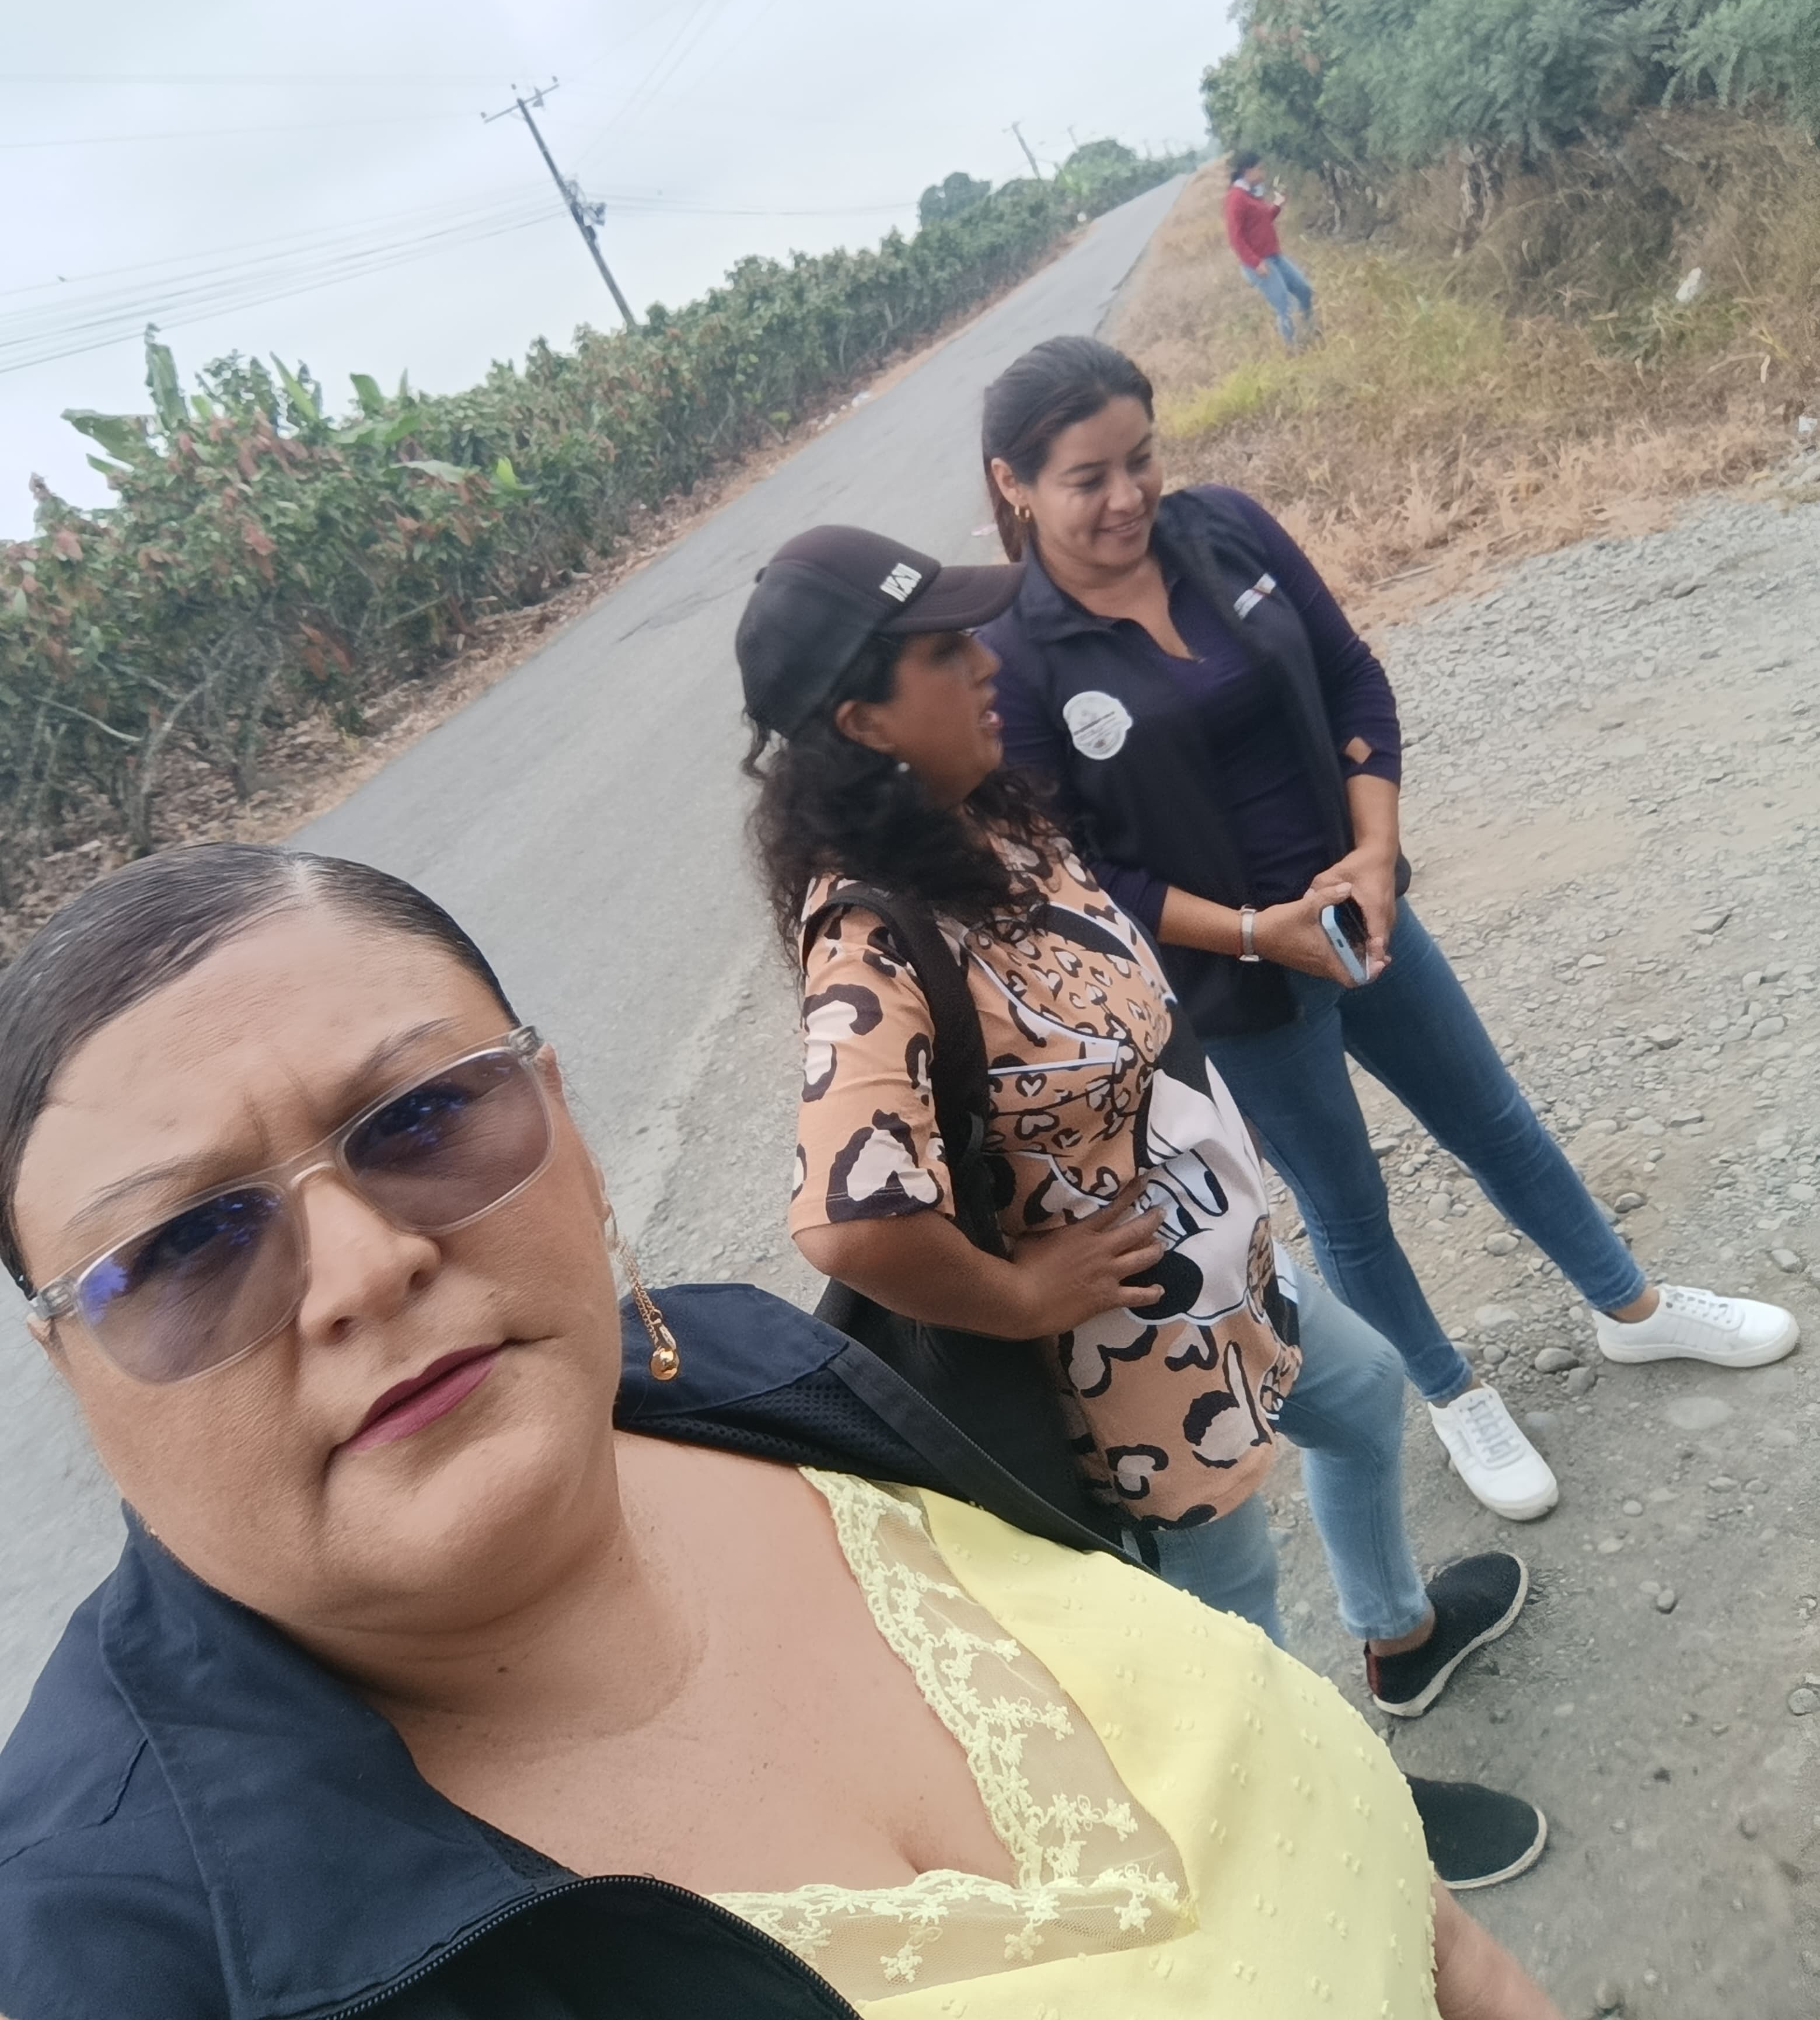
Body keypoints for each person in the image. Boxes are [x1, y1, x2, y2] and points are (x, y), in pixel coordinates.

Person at [0, 843, 1563, 2020]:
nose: (361, 1269)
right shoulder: (122, 1959)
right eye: (185, 1246)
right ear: (66, 1360)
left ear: (564, 1119)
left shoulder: (741, 1374)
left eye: (422, 1117)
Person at [735, 523, 1546, 1895]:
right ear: (861, 719)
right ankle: (1352, 1845)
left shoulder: (983, 814)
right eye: (942, 653)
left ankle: (1399, 1640)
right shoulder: (867, 939)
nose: (983, 663)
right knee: (1234, 1629)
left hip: (1220, 1259)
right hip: (1130, 1363)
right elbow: (845, 1212)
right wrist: (1016, 1296)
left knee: (1358, 1397)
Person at [974, 335, 1799, 1522]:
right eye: (1086, 477)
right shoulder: (1011, 655)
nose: (1127, 496)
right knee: (1347, 1206)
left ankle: (1630, 1307)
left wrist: (1370, 855)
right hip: (1234, 989)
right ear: (1013, 483)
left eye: (1140, 458)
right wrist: (1255, 932)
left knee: (1493, 1122)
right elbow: (1082, 872)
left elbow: (1353, 680)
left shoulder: (1227, 531)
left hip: (1363, 920)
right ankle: (1450, 1392)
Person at [1222, 149, 1315, 346]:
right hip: (1260, 262)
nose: (1263, 173)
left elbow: (1263, 220)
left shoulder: (1251, 194)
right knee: (1285, 306)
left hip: (1274, 256)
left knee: (1304, 290)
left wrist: (1277, 205)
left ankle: (1309, 331)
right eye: (1259, 169)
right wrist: (1256, 263)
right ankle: (1294, 347)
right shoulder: (1236, 198)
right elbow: (1235, 237)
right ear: (1247, 171)